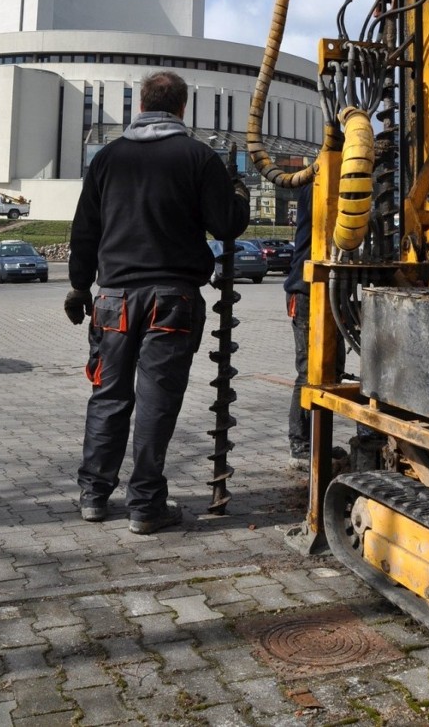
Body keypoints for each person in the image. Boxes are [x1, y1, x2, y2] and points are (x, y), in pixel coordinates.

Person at [64, 70, 250, 534]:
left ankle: (93, 494)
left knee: (108, 396)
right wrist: (239, 191)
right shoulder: (198, 157)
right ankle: (146, 505)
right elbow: (226, 224)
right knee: (155, 402)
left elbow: (84, 230)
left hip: (113, 301)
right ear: (182, 109)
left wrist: (78, 286)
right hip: (172, 300)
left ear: (140, 104)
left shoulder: (108, 158)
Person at [283, 183, 346, 470]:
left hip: (333, 288)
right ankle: (300, 443)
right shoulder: (319, 185)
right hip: (307, 290)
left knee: (334, 368)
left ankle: (318, 438)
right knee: (309, 369)